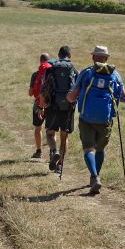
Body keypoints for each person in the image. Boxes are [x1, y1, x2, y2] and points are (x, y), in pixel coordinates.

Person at [67, 45, 125, 195]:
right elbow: (123, 97)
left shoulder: (87, 72)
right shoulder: (115, 74)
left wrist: (68, 99)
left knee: (88, 148)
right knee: (100, 149)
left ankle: (94, 177)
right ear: (107, 59)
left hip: (86, 117)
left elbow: (73, 95)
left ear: (93, 57)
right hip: (105, 119)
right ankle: (96, 176)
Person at [41, 45, 78, 173]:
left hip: (53, 106)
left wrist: (43, 104)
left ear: (58, 55)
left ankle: (54, 151)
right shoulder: (73, 68)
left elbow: (44, 88)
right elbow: (78, 89)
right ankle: (60, 165)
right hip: (68, 107)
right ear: (70, 56)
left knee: (50, 133)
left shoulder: (52, 68)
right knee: (64, 137)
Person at [28, 53, 52, 159]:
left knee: (38, 128)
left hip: (38, 105)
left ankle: (38, 151)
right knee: (51, 130)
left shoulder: (35, 75)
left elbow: (30, 93)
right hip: (51, 105)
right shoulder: (52, 74)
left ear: (40, 61)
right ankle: (52, 152)